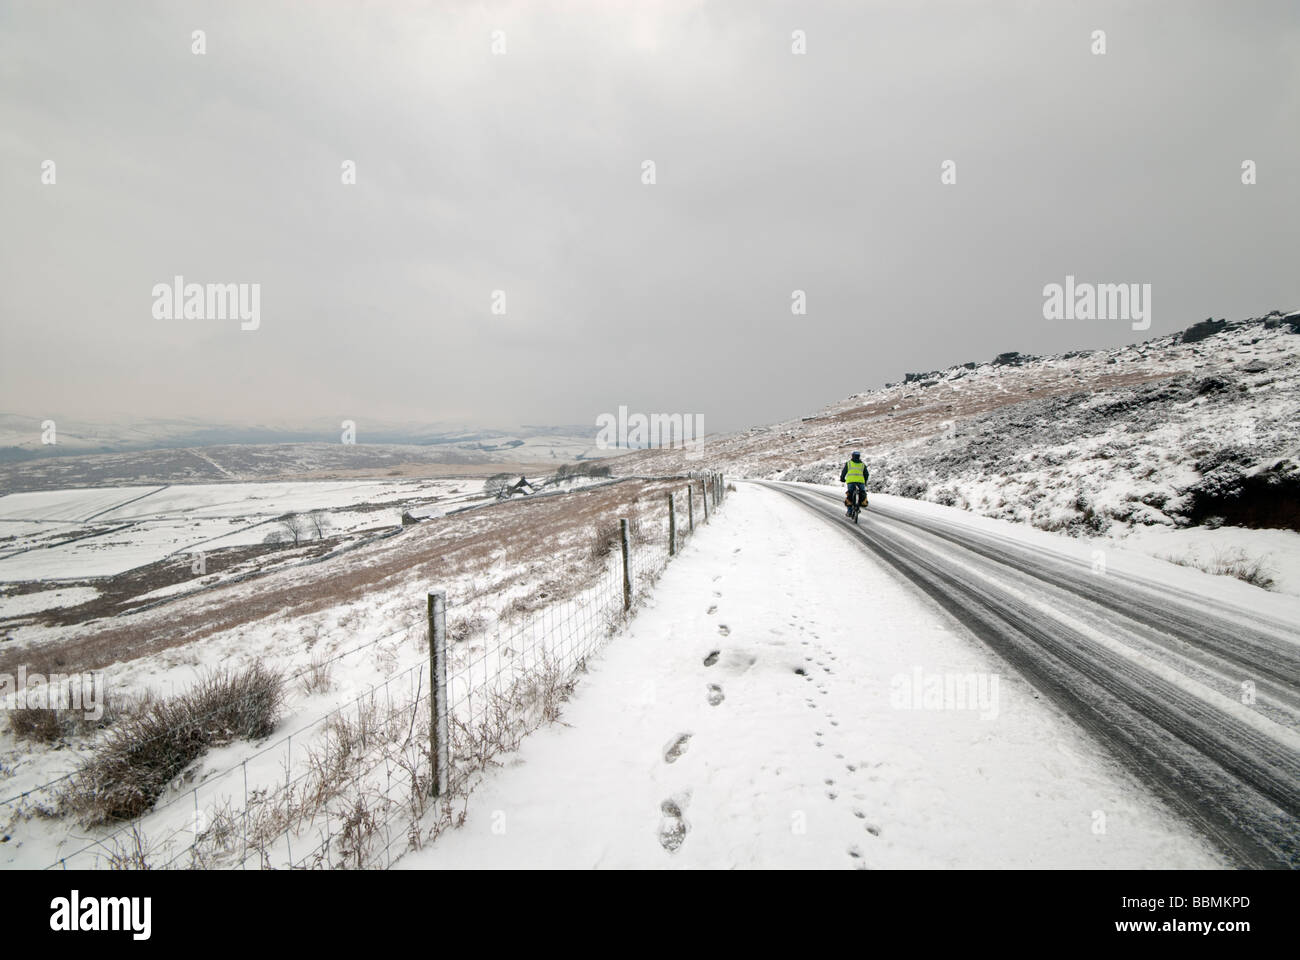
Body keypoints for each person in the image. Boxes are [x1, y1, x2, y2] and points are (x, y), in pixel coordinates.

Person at [840, 451, 869, 516]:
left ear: (852, 456)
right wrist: (865, 481)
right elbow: (866, 474)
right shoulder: (862, 464)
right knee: (862, 493)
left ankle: (849, 511)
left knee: (850, 494)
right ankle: (861, 504)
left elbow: (844, 472)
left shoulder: (849, 463)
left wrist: (842, 478)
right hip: (861, 482)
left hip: (851, 481)